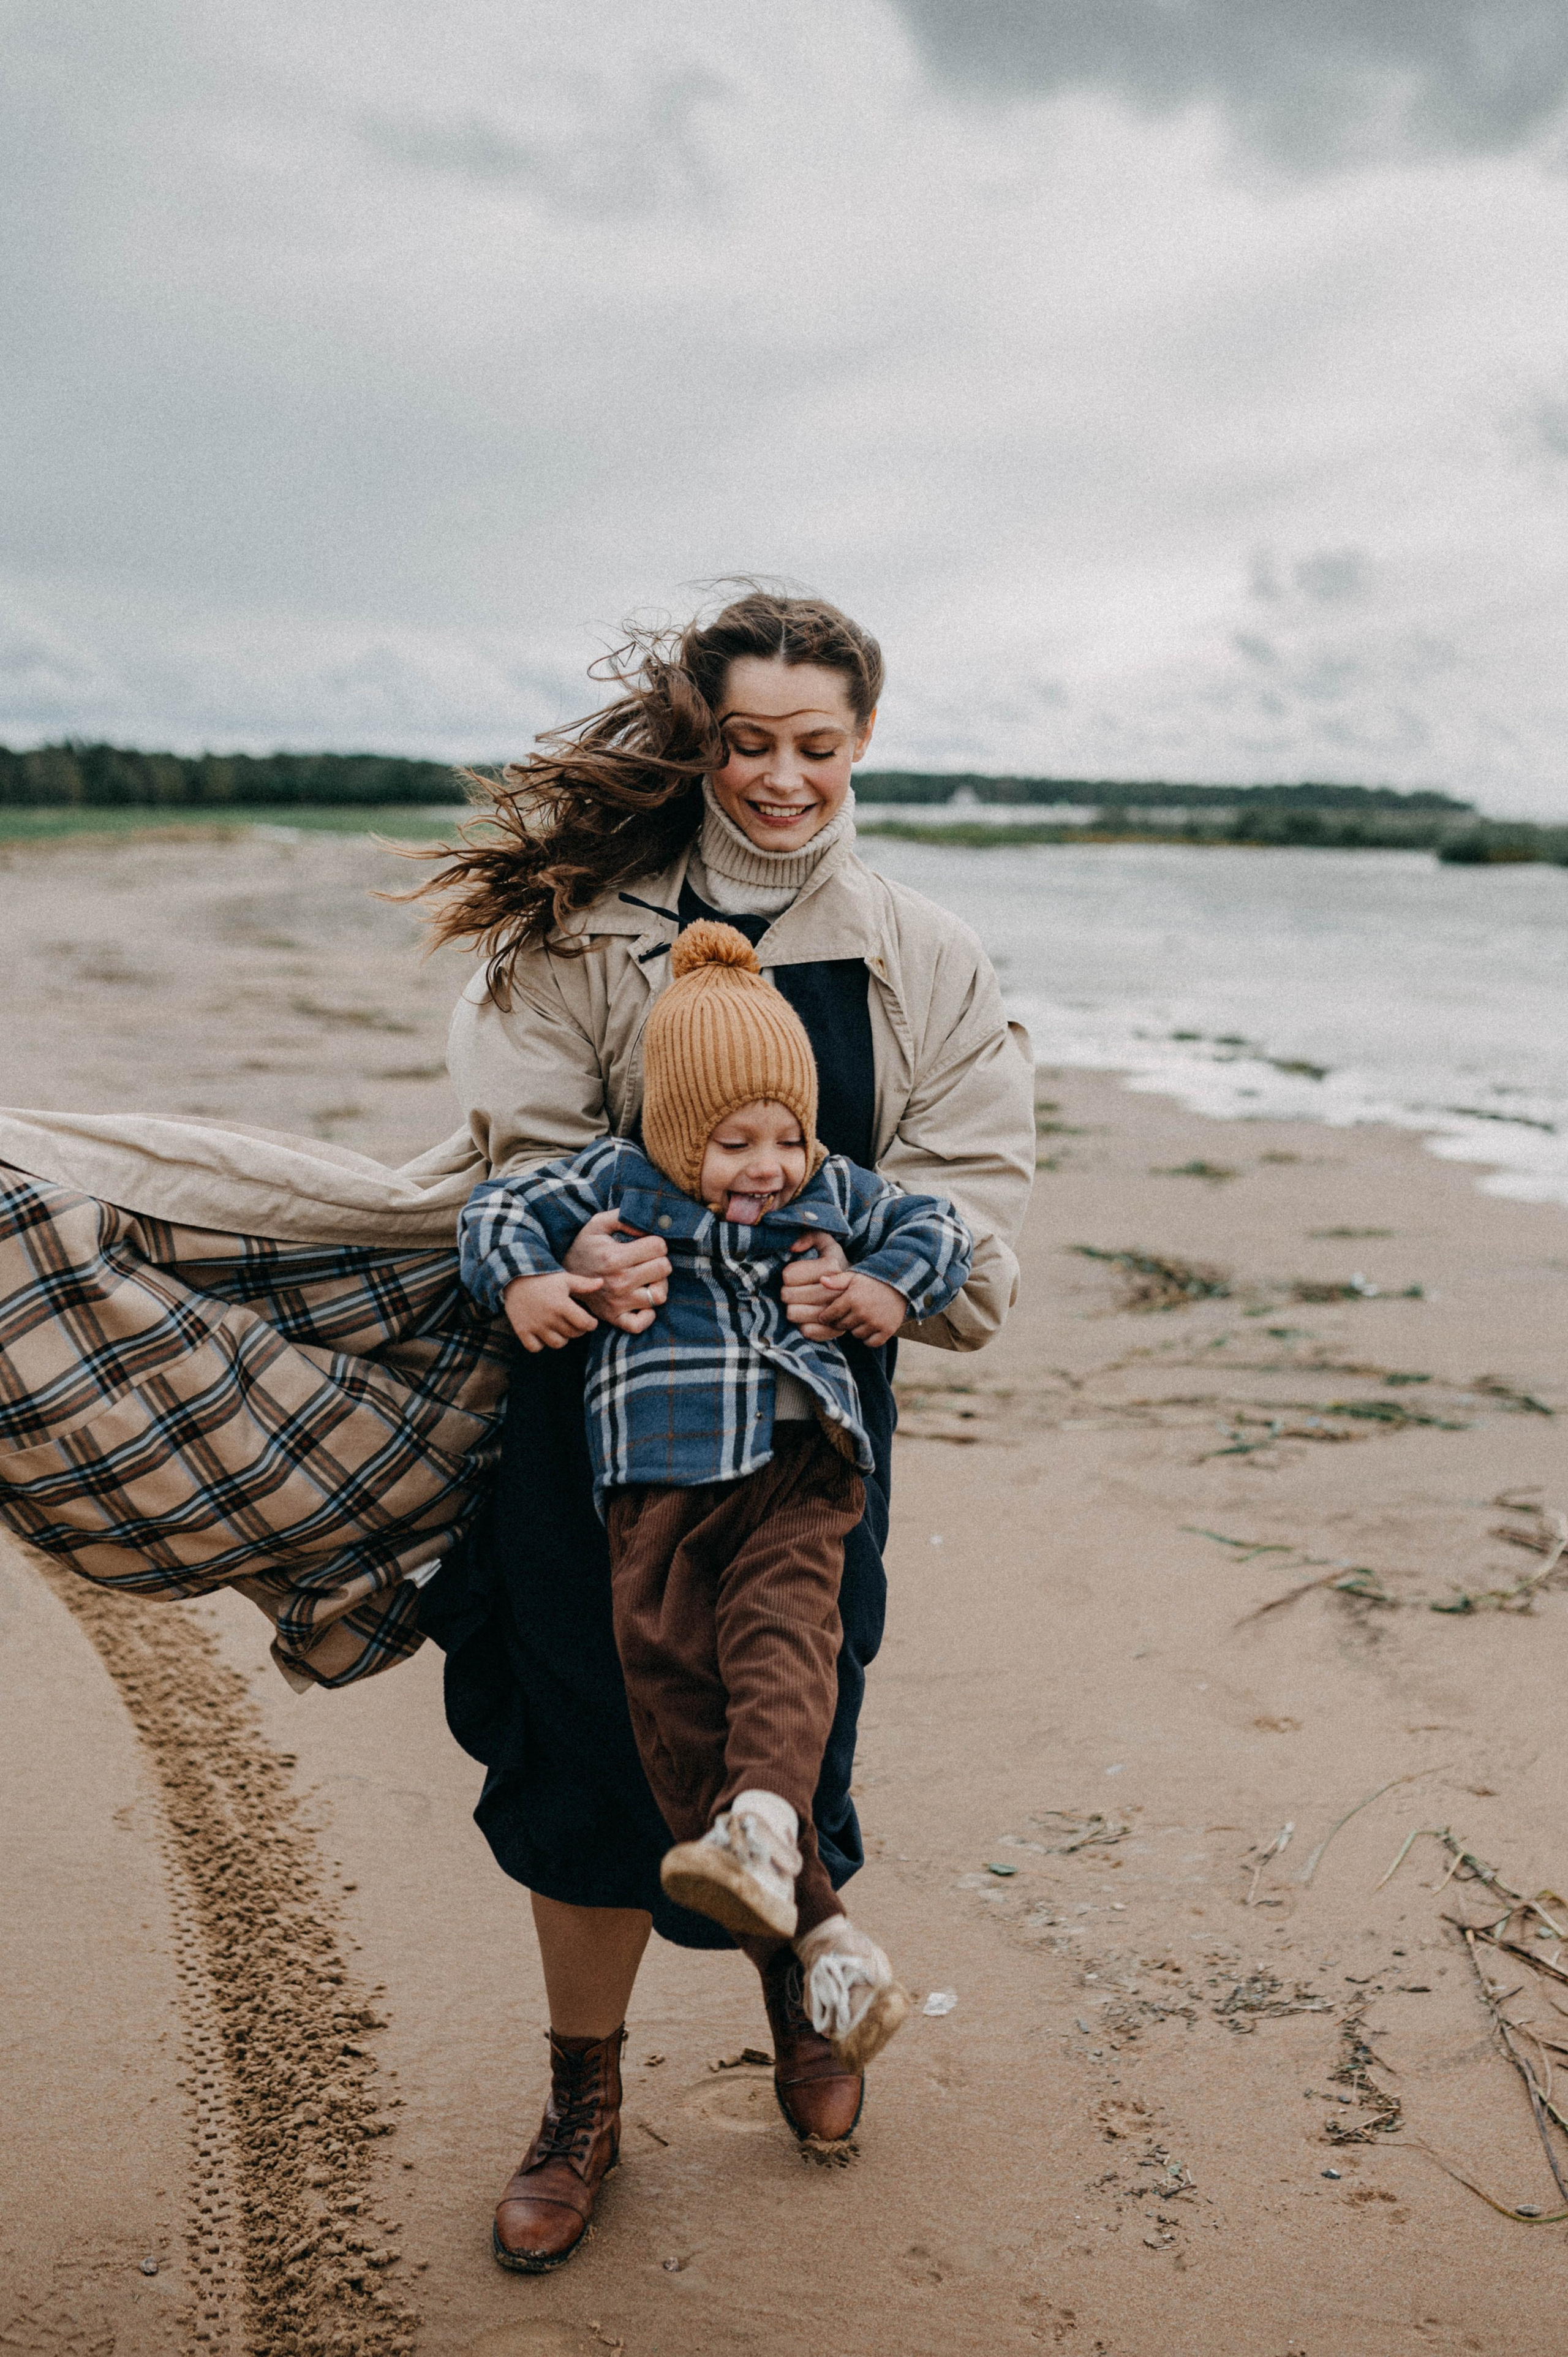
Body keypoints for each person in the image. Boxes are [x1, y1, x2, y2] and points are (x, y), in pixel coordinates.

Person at [413, 586, 1036, 2272]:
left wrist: (895, 1284)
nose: (779, 778)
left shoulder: (922, 954)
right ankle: (582, 2095)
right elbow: (517, 1163)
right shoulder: (582, 933)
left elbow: (972, 1190)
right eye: (747, 743)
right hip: (599, 1419)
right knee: (584, 1751)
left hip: (811, 1422)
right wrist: (572, 1261)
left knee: (787, 1720)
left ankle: (803, 2008)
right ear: (703, 741)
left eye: (814, 745)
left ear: (863, 740)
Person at [458, 920, 974, 2164]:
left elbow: (943, 1227)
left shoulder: (829, 1190)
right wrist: (533, 1281)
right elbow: (495, 1210)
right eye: (734, 1142)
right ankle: (819, 1942)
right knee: (669, 1692)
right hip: (656, 1485)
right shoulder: (615, 1183)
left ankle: (779, 1889)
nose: (768, 1165)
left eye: (786, 1136)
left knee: (787, 1662)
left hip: (802, 1477)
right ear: (675, 1131)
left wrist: (881, 1289)